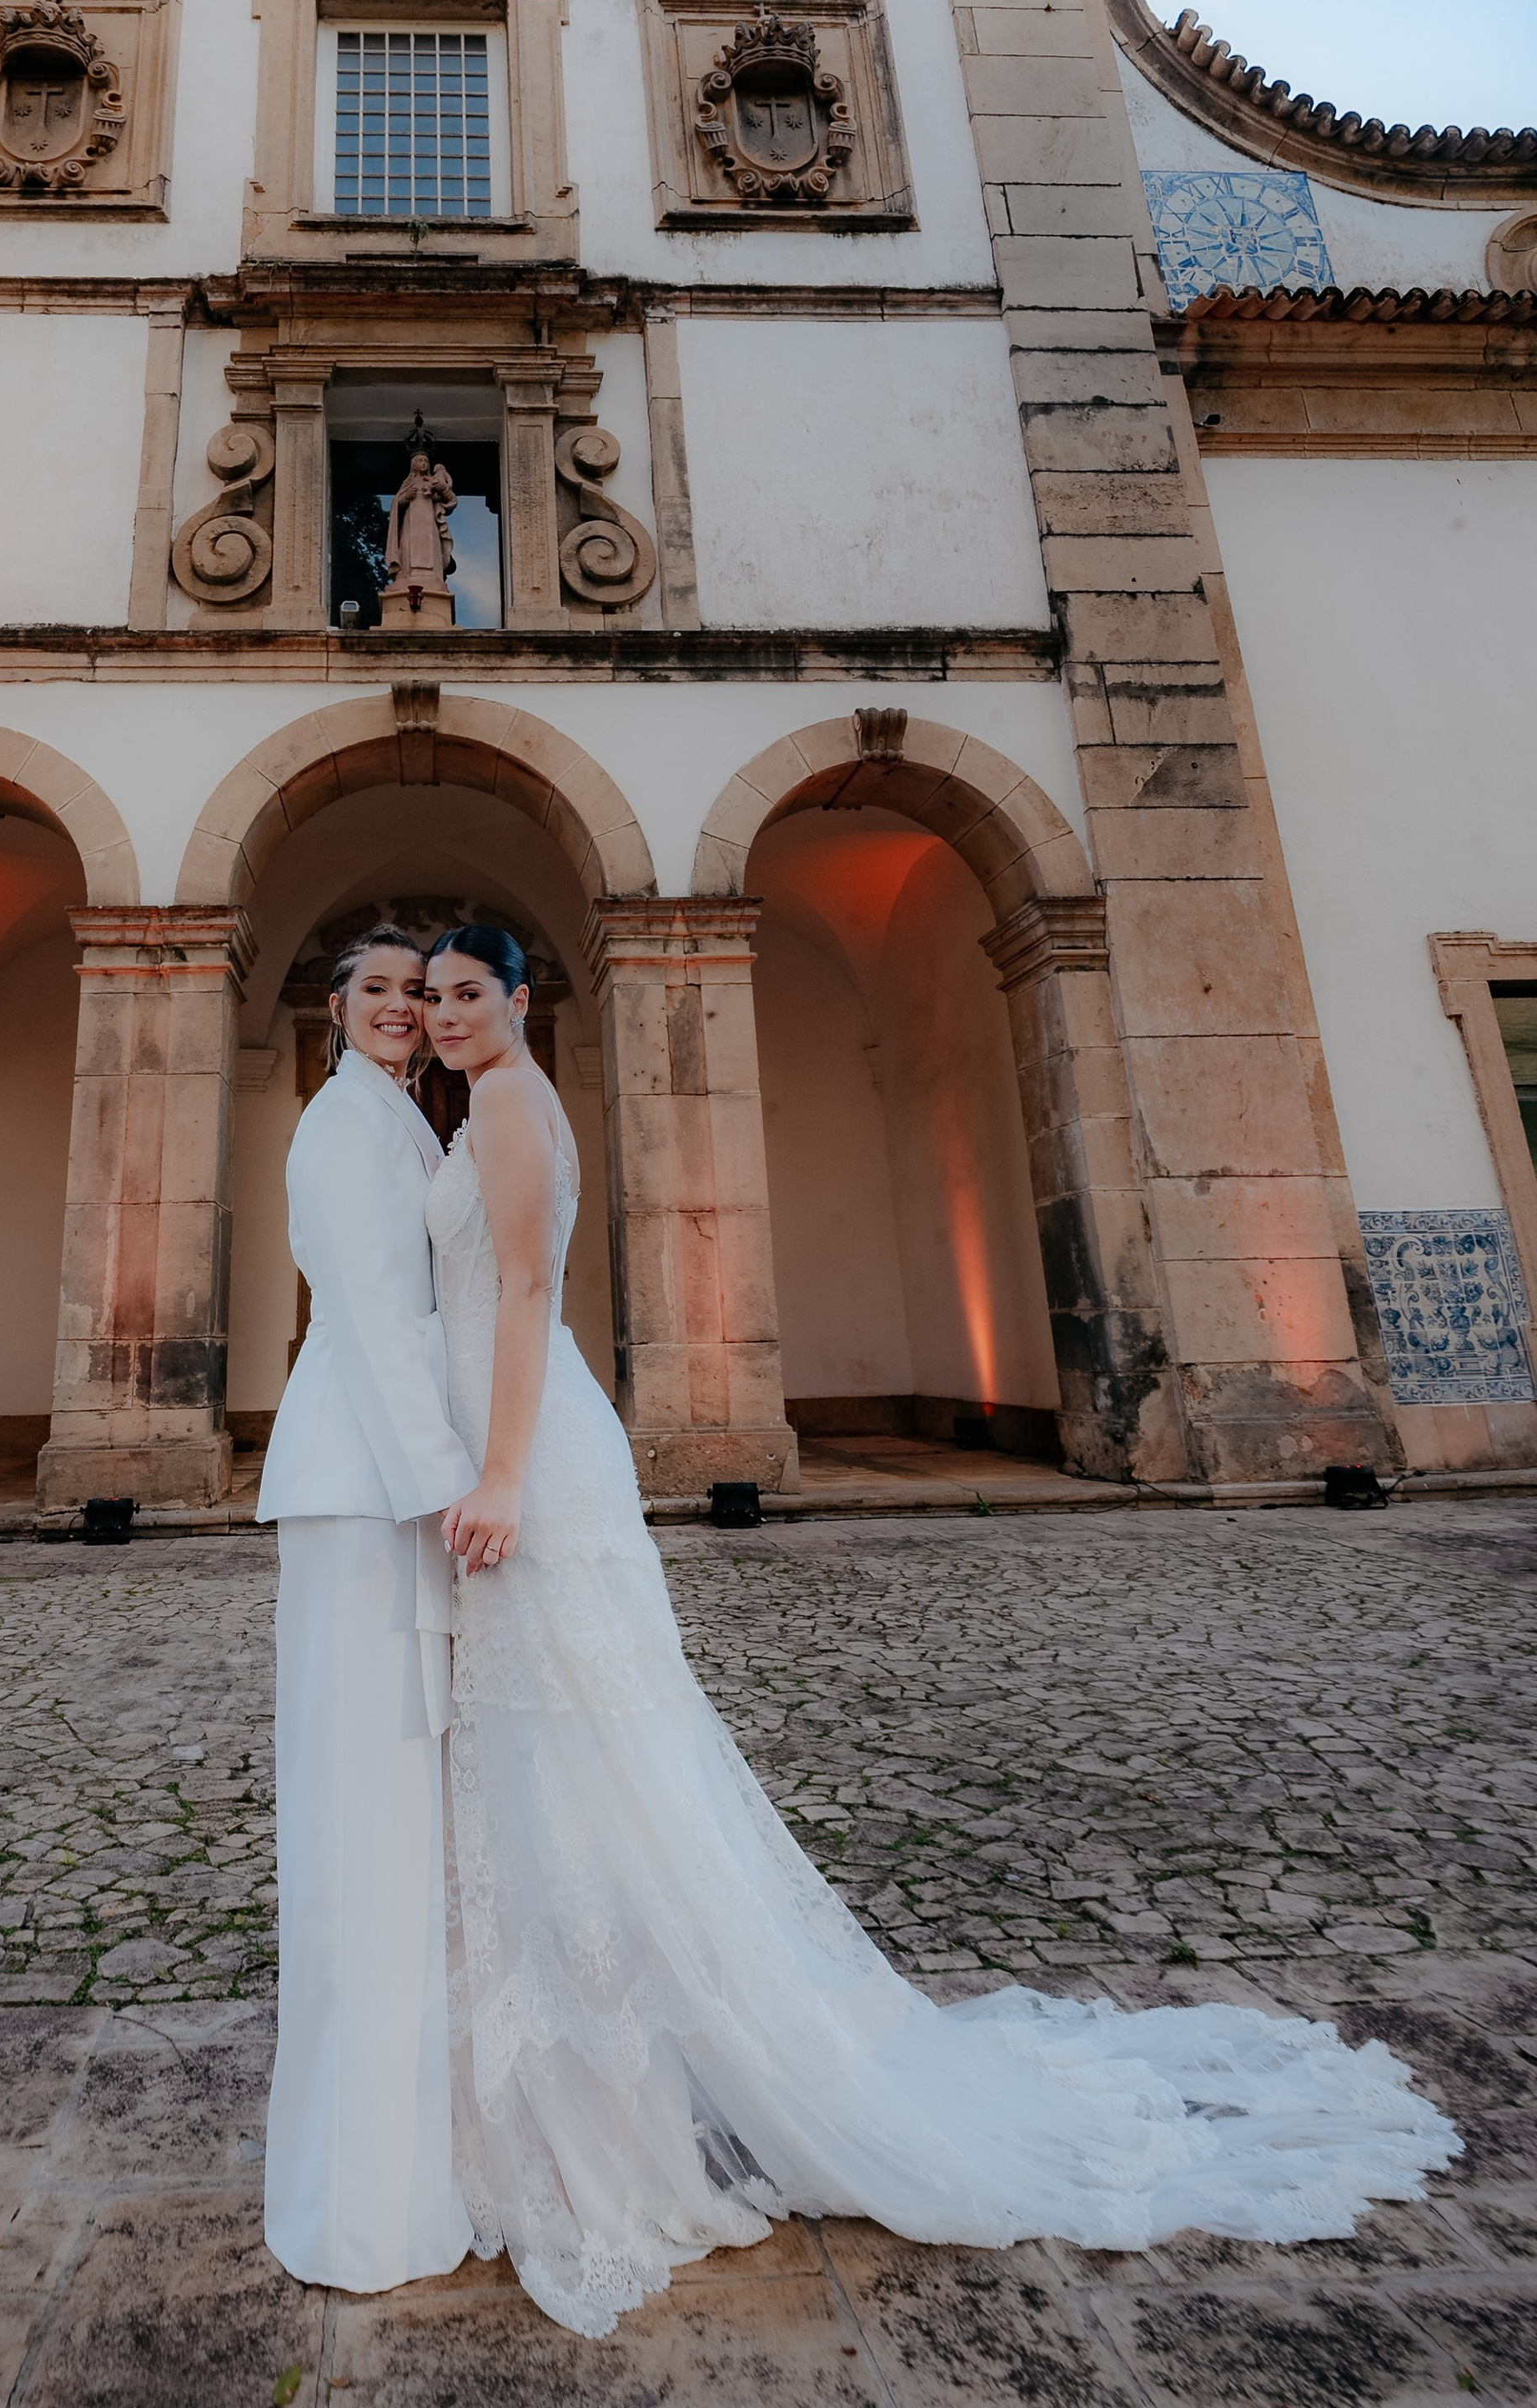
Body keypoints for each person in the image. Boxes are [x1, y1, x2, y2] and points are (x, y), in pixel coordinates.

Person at [419, 922, 1459, 2340]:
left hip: (530, 1454)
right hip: (518, 1440)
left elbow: (533, 1293)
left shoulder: (509, 1104)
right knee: (575, 1758)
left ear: (520, 999)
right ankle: (595, 2066)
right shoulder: (485, 1103)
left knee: (584, 1748)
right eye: (429, 998)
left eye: (468, 992)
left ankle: (613, 2086)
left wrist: (498, 1472)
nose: (444, 1013)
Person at [257, 925, 480, 2297]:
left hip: (391, 1482)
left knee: (399, 1827)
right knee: (360, 1823)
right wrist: (451, 1494)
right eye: (380, 991)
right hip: (366, 1492)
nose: (402, 1008)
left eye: (418, 990)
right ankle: (358, 2205)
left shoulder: (399, 1118)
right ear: (335, 1010)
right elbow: (377, 1321)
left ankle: (408, 2157)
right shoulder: (342, 1128)